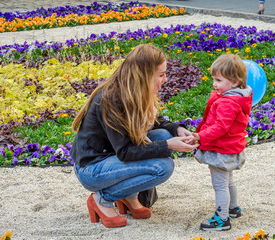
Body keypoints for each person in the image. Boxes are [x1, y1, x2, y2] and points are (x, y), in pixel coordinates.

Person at [70, 44, 198, 228]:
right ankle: (102, 199)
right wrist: (168, 145)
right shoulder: (111, 99)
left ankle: (129, 196)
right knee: (163, 167)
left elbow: (155, 122)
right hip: (92, 168)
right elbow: (126, 152)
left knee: (162, 133)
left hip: (111, 158)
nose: (166, 79)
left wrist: (176, 129)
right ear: (144, 75)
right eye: (161, 75)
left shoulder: (133, 90)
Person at [186, 54, 253, 231]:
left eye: (218, 80)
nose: (214, 84)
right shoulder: (239, 97)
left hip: (221, 149)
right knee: (229, 180)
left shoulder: (228, 102)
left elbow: (220, 127)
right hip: (230, 147)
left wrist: (200, 136)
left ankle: (222, 219)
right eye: (214, 79)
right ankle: (233, 208)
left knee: (220, 184)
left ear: (234, 81)